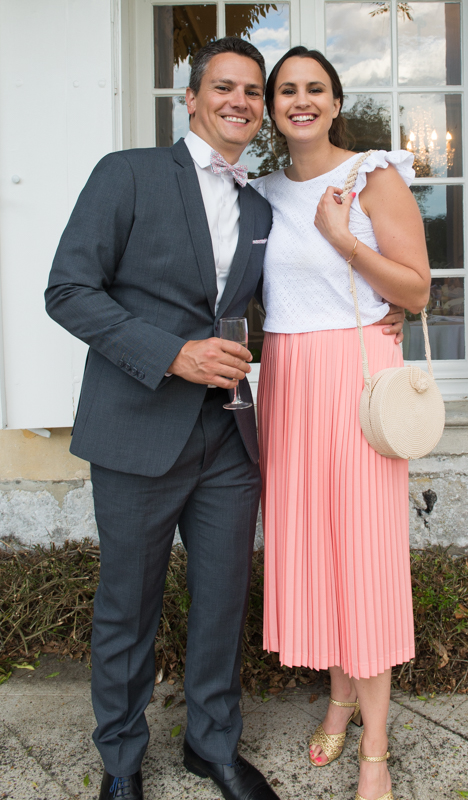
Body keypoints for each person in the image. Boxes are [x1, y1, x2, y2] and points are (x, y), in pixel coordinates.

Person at [45, 36, 281, 800]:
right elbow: (69, 291)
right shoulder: (128, 174)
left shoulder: (258, 205)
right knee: (127, 606)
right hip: (136, 429)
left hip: (228, 437)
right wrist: (173, 354)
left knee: (222, 604)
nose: (239, 101)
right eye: (224, 86)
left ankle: (212, 746)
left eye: (252, 90)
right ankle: (120, 759)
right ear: (192, 98)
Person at [251, 47, 431, 800]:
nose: (301, 100)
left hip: (356, 376)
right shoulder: (258, 192)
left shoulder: (371, 176)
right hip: (287, 379)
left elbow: (416, 291)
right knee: (316, 550)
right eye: (286, 90)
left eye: (315, 89)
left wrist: (344, 239)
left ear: (334, 102)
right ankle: (339, 696)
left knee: (365, 555)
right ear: (271, 107)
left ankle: (376, 748)